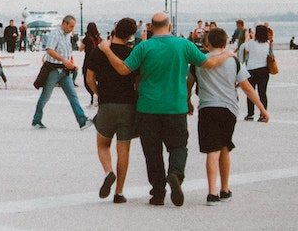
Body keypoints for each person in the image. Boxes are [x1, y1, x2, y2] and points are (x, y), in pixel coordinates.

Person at [97, 11, 233, 207]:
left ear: (150, 27)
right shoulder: (183, 45)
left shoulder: (144, 47)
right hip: (175, 107)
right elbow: (209, 63)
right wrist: (227, 54)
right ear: (169, 26)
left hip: (148, 108)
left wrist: (107, 50)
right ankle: (175, 174)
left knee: (152, 151)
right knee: (178, 147)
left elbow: (123, 70)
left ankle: (158, 192)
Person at [190, 26, 268, 203]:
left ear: (207, 42)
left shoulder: (199, 62)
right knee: (225, 147)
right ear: (226, 42)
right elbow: (247, 87)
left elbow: (189, 82)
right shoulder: (233, 61)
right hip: (229, 109)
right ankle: (225, 189)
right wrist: (262, 109)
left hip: (207, 108)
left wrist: (188, 101)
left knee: (212, 149)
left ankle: (212, 193)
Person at [85, 18, 139, 204]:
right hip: (128, 104)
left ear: (115, 29)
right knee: (123, 148)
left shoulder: (99, 51)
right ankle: (119, 193)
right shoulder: (132, 53)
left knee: (103, 144)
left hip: (107, 104)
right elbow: (138, 81)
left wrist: (99, 93)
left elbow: (89, 78)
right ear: (131, 35)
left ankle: (109, 172)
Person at [31, 15, 91, 130]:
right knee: (46, 96)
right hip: (53, 70)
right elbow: (49, 50)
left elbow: (66, 52)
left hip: (64, 71)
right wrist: (64, 60)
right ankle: (36, 120)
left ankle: (82, 120)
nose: (72, 29)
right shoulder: (55, 34)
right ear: (64, 24)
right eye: (71, 26)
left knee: (73, 96)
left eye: (73, 27)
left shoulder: (67, 35)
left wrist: (70, 64)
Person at [238, 25, 272, 121]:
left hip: (252, 70)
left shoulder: (252, 43)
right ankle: (263, 113)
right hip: (264, 70)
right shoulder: (268, 43)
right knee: (262, 93)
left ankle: (250, 114)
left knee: (250, 92)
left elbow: (245, 48)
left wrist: (247, 37)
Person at [81, 22, 102, 106]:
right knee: (97, 79)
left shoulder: (86, 39)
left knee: (88, 79)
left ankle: (93, 96)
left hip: (88, 61)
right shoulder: (99, 38)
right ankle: (98, 96)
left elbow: (80, 48)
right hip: (98, 61)